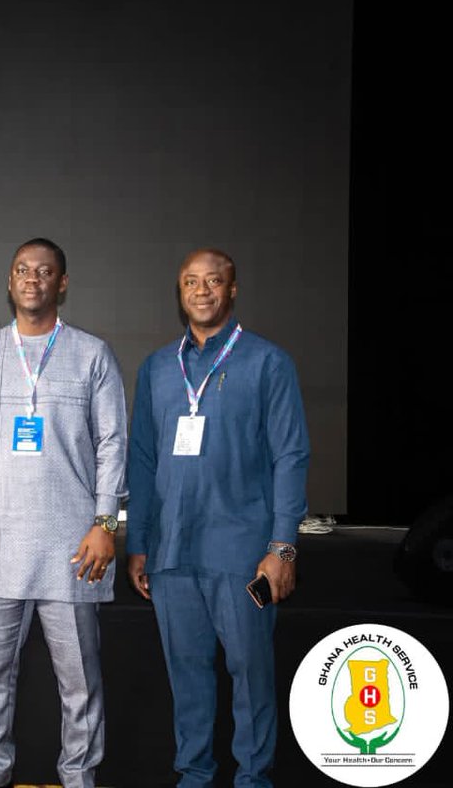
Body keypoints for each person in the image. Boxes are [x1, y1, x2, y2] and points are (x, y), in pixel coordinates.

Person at [0, 238, 128, 788]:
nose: (32, 279)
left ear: (62, 283)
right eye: (22, 270)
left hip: (74, 550)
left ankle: (78, 776)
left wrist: (107, 524)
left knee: (80, 684)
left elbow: (113, 445)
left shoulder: (92, 354)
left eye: (44, 271)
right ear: (9, 281)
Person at [125, 248, 309, 788]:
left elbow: (290, 457)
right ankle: (195, 775)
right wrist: (139, 542)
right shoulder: (159, 368)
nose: (201, 290)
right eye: (190, 281)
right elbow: (142, 459)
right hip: (172, 553)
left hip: (242, 554)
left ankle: (253, 778)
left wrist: (282, 549)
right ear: (179, 292)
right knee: (187, 677)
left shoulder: (266, 362)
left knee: (250, 675)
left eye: (213, 281)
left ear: (232, 290)